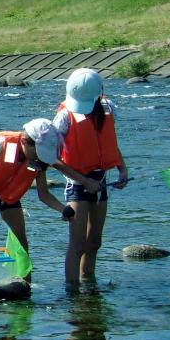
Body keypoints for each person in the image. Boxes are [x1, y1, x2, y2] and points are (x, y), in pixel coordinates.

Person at [0, 118, 100, 288]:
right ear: (25, 141)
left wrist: (63, 209)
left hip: (9, 197)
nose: (40, 156)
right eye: (38, 151)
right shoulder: (3, 142)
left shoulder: (40, 162)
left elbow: (44, 194)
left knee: (21, 241)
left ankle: (25, 285)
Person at [53, 68, 128, 291]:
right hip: (77, 184)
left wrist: (122, 169)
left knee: (95, 241)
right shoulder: (64, 116)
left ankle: (89, 284)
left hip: (102, 180)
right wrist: (84, 181)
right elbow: (52, 158)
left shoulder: (107, 107)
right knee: (78, 243)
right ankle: (72, 292)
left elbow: (110, 144)